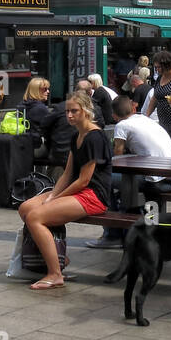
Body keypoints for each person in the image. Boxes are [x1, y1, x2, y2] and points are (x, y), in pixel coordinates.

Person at [18, 90, 112, 289]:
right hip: (77, 190)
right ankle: (59, 258)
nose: (69, 115)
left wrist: (55, 198)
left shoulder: (95, 137)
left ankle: (55, 274)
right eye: (67, 111)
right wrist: (52, 195)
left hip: (93, 195)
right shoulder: (76, 135)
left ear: (86, 111)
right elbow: (67, 174)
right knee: (26, 208)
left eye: (74, 111)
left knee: (36, 217)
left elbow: (84, 181)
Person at [86, 94, 171, 250]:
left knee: (102, 180)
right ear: (133, 108)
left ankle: (112, 234)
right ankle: (128, 224)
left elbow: (117, 155)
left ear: (114, 115)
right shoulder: (145, 119)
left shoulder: (122, 126)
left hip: (157, 181)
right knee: (125, 187)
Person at [22, 76, 53, 159]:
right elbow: (50, 127)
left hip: (22, 146)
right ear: (36, 91)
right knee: (63, 152)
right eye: (45, 89)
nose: (48, 91)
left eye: (48, 89)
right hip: (35, 148)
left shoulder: (22, 105)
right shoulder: (40, 108)